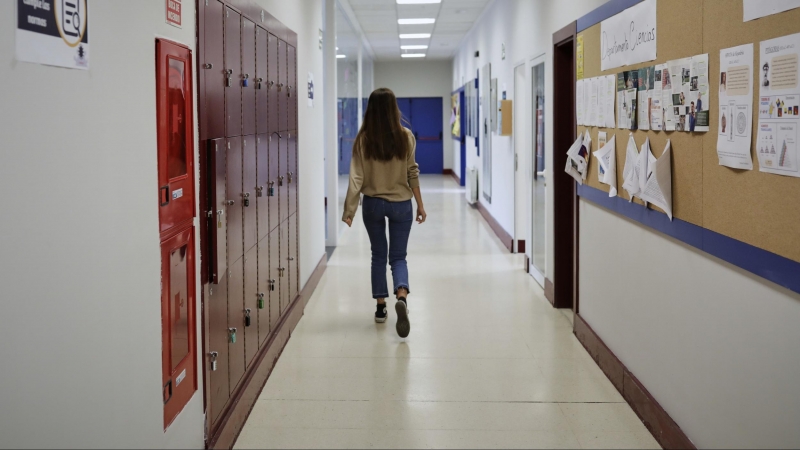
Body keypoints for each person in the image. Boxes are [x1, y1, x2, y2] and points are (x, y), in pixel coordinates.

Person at [342, 87, 426, 338]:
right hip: (401, 204)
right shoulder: (406, 136)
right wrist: (420, 205)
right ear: (393, 109)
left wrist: (349, 210)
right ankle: (401, 294)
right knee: (398, 256)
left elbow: (356, 177)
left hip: (373, 204)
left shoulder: (363, 139)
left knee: (378, 255)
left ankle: (380, 308)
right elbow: (413, 172)